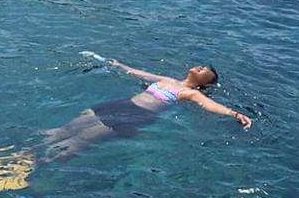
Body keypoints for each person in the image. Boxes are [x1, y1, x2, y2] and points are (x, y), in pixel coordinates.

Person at [40, 59, 252, 160]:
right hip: (122, 105)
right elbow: (138, 73)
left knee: (81, 139)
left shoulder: (192, 93)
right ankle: (27, 153)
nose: (204, 67)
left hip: (136, 117)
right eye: (204, 66)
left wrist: (234, 113)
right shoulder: (167, 80)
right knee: (66, 128)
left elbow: (210, 105)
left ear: (204, 84)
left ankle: (41, 163)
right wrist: (116, 64)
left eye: (208, 72)